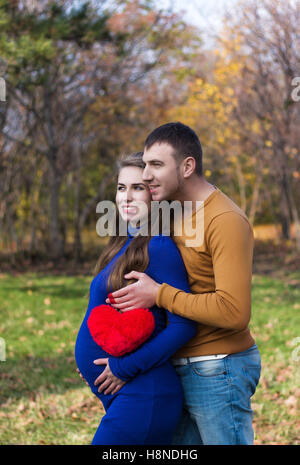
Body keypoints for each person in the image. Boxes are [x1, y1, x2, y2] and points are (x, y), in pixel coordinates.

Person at [100, 122, 262, 445]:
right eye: (145, 164)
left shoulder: (225, 221)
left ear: (188, 166)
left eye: (156, 165)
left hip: (218, 368)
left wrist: (160, 295)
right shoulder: (170, 212)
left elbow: (234, 311)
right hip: (174, 366)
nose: (146, 175)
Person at [74, 151, 197, 445]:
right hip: (125, 393)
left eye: (137, 188)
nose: (126, 197)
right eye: (120, 188)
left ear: (154, 194)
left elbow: (185, 325)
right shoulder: (124, 243)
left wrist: (122, 367)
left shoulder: (159, 247)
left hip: (145, 392)